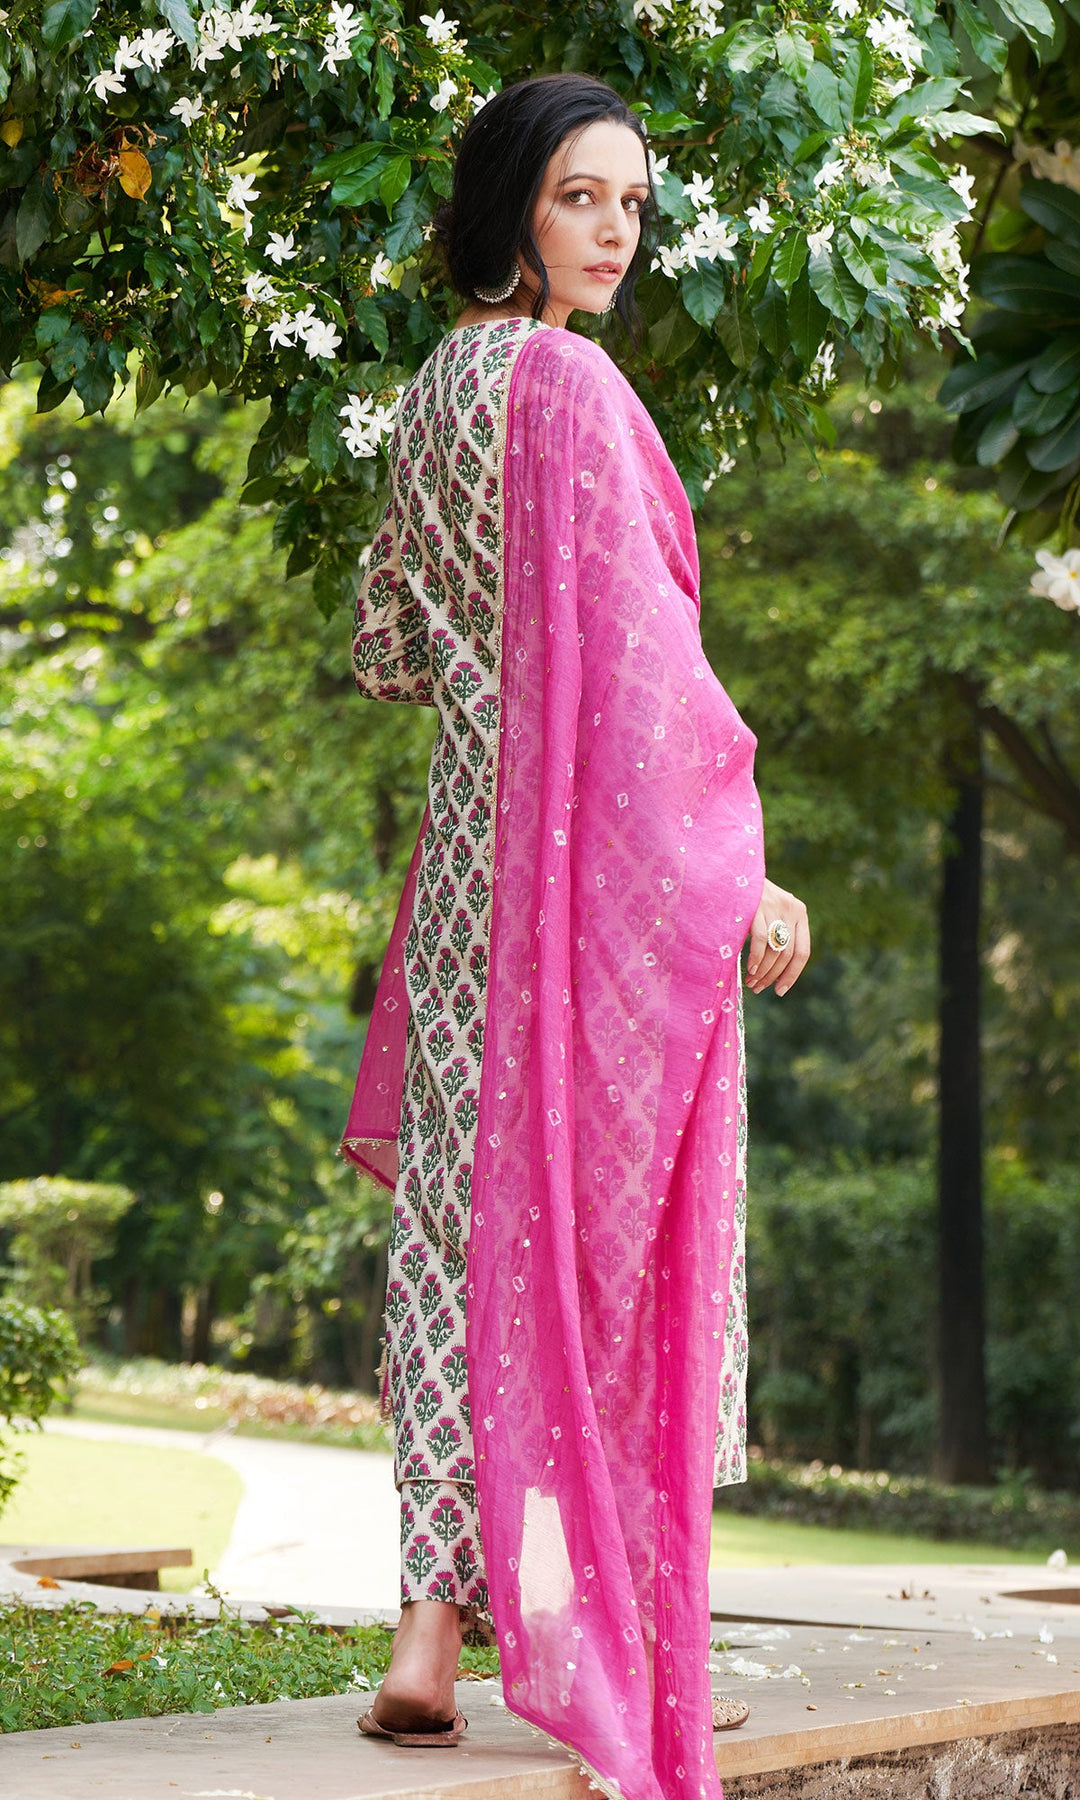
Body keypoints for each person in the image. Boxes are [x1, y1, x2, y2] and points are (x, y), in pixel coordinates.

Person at [342, 72, 810, 1800]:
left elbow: (386, 646)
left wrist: (489, 677)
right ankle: (605, 1634)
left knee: (459, 1244)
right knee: (591, 1243)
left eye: (630, 203)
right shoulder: (573, 389)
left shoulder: (432, 395)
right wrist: (746, 876)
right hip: (581, 895)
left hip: (465, 887)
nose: (614, 232)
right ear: (512, 206)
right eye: (579, 198)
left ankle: (428, 1643)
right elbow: (649, 674)